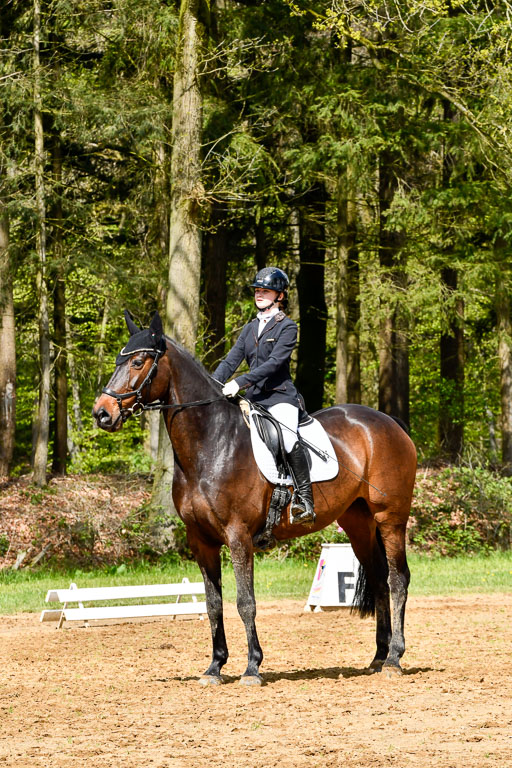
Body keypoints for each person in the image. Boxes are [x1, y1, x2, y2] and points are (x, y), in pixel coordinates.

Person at [213, 266, 315, 524]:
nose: (259, 294)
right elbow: (230, 360)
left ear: (280, 295)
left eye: (265, 290)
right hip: (254, 401)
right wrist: (212, 384)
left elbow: (273, 365)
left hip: (280, 398)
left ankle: (305, 500)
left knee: (289, 440)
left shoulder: (287, 327)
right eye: (257, 290)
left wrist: (239, 382)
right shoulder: (249, 329)